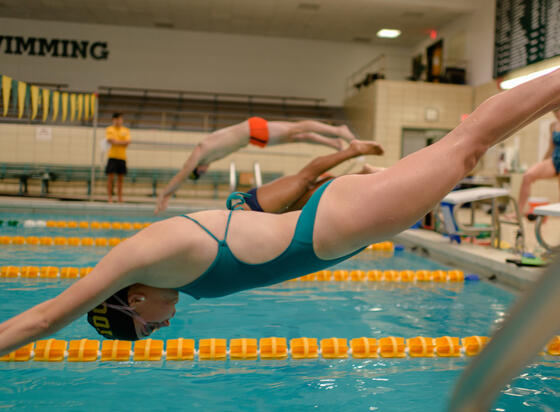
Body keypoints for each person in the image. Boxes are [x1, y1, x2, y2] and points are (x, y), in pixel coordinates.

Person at [1, 69, 559, 350]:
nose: (161, 326)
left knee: (467, 146)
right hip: (333, 220)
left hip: (336, 224)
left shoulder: (142, 255)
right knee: (466, 146)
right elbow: (254, 209)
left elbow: (46, 317)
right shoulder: (178, 263)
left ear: (130, 301)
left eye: (146, 326)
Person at [155, 117, 356, 213]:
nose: (205, 171)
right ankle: (333, 142)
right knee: (298, 136)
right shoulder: (210, 156)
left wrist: (165, 194)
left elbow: (181, 174)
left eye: (200, 172)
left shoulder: (200, 152)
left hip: (253, 130)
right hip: (253, 136)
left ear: (198, 169)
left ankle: (338, 130)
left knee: (297, 128)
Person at [236, 139, 384, 213]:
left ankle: (353, 150)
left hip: (254, 207)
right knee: (319, 194)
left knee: (305, 179)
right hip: (270, 219)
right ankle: (362, 174)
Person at [516, 108, 560, 216]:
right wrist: (542, 164)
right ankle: (518, 211)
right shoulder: (553, 125)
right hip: (555, 159)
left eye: (558, 110)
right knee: (528, 175)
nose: (556, 114)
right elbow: (551, 146)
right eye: (554, 111)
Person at [105, 113, 131, 203]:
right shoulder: (109, 129)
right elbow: (110, 140)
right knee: (110, 179)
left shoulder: (126, 130)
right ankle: (110, 198)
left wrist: (116, 142)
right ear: (113, 120)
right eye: (117, 119)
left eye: (120, 119)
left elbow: (127, 142)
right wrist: (122, 142)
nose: (119, 121)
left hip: (122, 157)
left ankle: (120, 198)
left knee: (120, 180)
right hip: (112, 156)